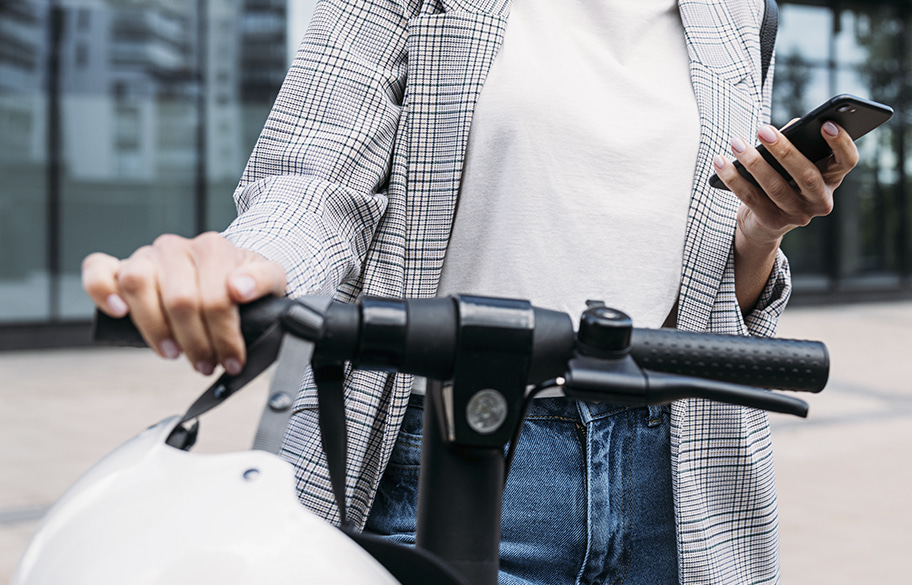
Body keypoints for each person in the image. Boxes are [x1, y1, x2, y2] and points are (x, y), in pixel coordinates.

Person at [82, 0, 858, 582]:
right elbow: (315, 185)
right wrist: (239, 266)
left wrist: (762, 228)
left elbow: (709, 283)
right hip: (447, 458)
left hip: (678, 476)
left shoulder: (739, 11)